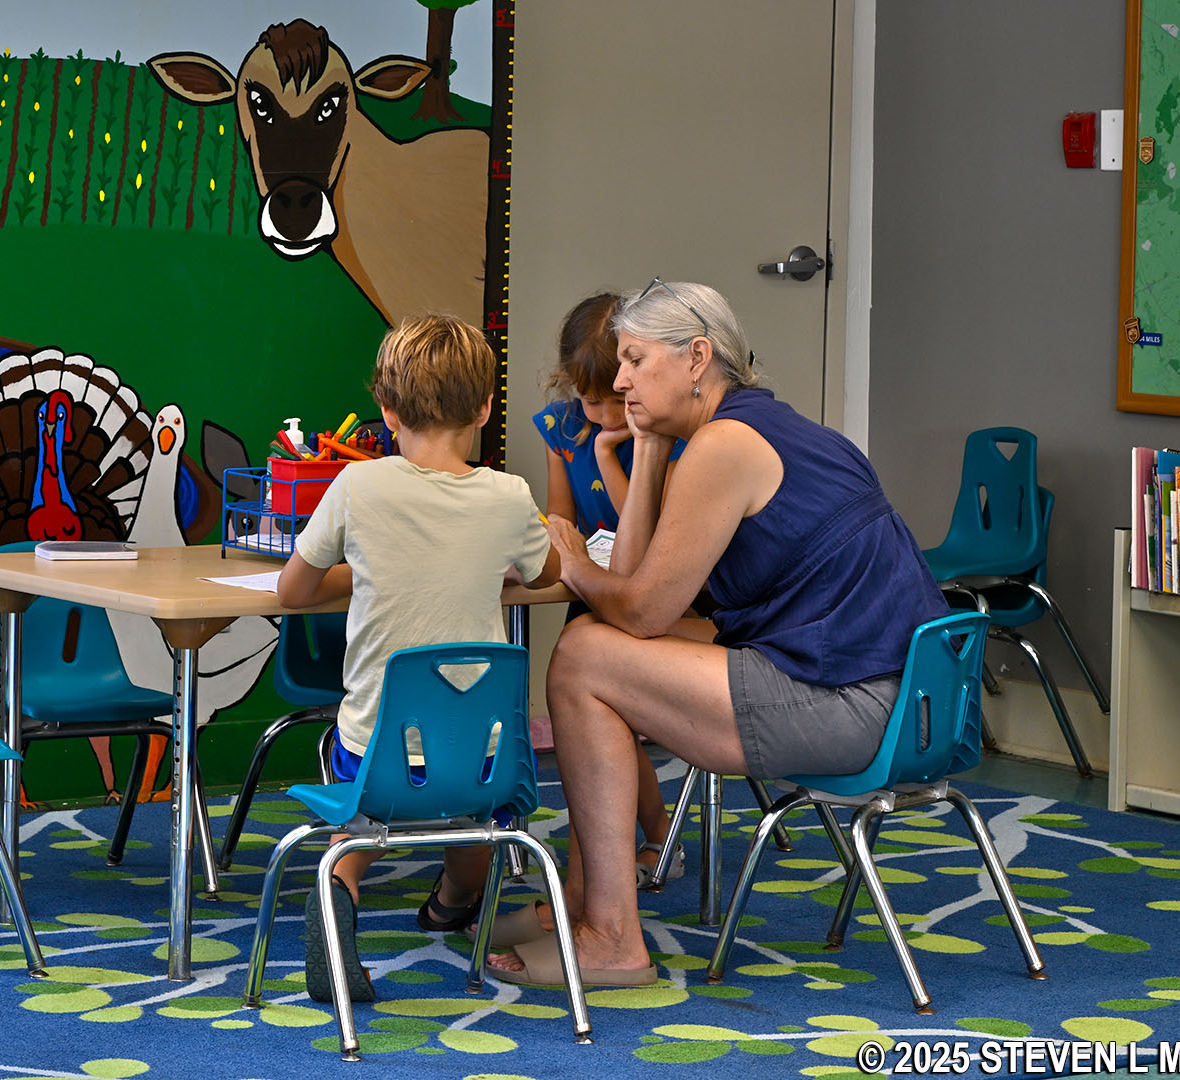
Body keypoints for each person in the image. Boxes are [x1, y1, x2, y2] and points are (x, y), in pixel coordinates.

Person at [488, 279, 947, 988]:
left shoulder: (725, 445)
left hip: (859, 706)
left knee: (581, 656)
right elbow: (637, 594)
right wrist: (646, 448)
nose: (620, 380)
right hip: (912, 698)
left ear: (697, 357)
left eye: (636, 360)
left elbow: (641, 611)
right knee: (600, 645)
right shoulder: (774, 428)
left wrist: (574, 566)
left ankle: (611, 938)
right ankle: (578, 905)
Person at [278, 313, 560, 1003]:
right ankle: (454, 900)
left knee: (355, 824)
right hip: (480, 760)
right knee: (477, 822)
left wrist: (369, 568)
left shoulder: (357, 486)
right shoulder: (509, 496)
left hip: (375, 753)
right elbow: (547, 572)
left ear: (386, 410)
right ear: (486, 409)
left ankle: (337, 894)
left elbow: (293, 592)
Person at [534, 293, 685, 893]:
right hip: (591, 585)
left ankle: (656, 834)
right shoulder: (560, 427)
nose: (602, 414)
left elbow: (647, 533)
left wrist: (609, 457)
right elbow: (560, 517)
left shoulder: (659, 429)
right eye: (590, 400)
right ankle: (633, 841)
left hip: (653, 588)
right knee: (595, 707)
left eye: (614, 400)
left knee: (612, 713)